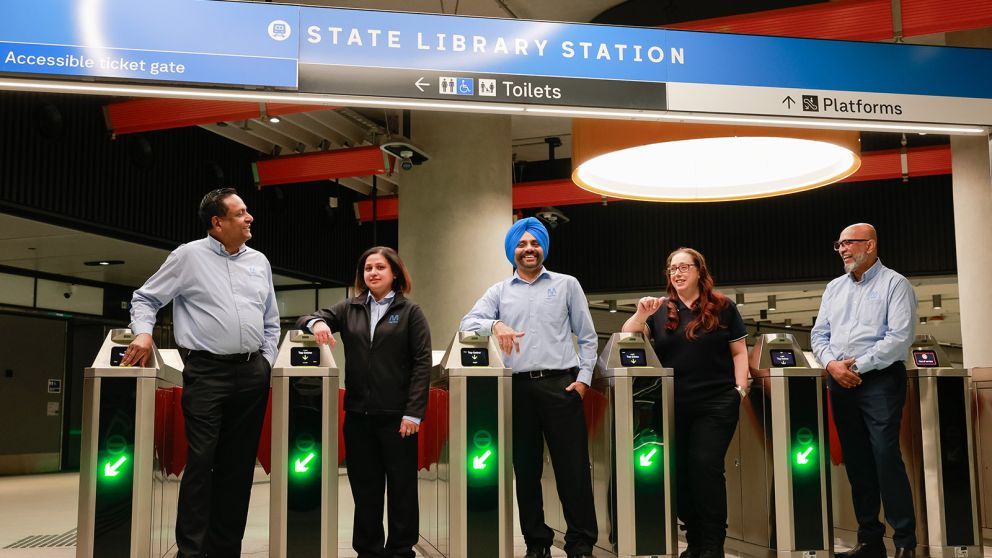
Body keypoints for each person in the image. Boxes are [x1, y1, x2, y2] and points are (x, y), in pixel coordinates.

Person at [121, 188, 279, 558]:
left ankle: (226, 550)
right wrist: (143, 333)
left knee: (239, 468)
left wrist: (266, 362)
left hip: (252, 373)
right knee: (203, 461)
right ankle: (191, 551)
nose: (249, 218)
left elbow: (271, 321)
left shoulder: (260, 261)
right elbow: (146, 298)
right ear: (217, 222)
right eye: (240, 213)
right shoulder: (188, 256)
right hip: (207, 372)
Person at [460, 217, 598, 558]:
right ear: (512, 252)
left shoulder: (567, 285)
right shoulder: (499, 292)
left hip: (562, 386)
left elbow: (588, 337)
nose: (529, 249)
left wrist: (582, 381)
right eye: (521, 245)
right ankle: (537, 543)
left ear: (543, 248)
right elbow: (467, 324)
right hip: (517, 390)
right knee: (526, 471)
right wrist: (496, 323)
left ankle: (580, 543)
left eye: (534, 243)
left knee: (574, 470)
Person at [296, 246, 431, 558]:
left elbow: (422, 363)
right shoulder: (350, 308)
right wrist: (317, 324)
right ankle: (368, 550)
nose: (373, 273)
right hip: (358, 416)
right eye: (368, 268)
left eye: (380, 267)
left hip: (399, 419)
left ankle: (400, 549)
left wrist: (414, 412)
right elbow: (308, 317)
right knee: (366, 490)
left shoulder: (411, 312)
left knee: (401, 490)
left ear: (394, 272)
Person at [621, 247, 748, 558]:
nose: (676, 273)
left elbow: (739, 352)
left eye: (683, 267)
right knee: (680, 472)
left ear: (699, 271)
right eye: (672, 269)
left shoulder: (723, 307)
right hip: (671, 405)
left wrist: (740, 390)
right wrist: (641, 314)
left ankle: (712, 543)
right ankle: (693, 539)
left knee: (705, 466)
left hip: (717, 403)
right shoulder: (663, 309)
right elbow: (627, 335)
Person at [811, 223, 917, 558]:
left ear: (869, 245)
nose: (842, 249)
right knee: (857, 462)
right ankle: (870, 541)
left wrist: (856, 367)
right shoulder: (834, 288)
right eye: (838, 244)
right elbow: (819, 335)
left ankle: (905, 542)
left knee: (885, 457)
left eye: (848, 243)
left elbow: (899, 338)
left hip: (880, 381)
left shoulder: (895, 284)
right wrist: (832, 366)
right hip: (840, 381)